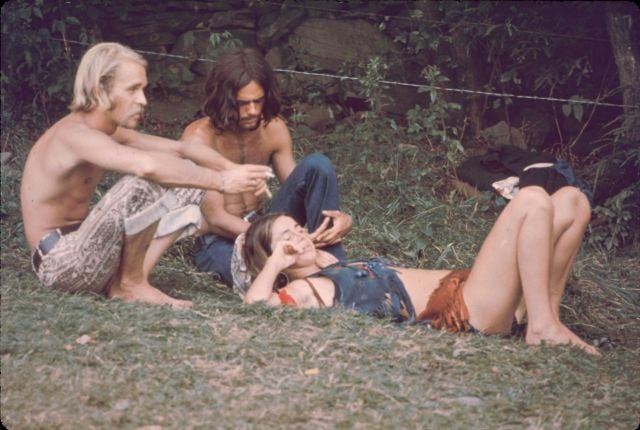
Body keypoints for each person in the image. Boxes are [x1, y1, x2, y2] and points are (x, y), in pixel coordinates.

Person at [20, 42, 272, 309]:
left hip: (94, 253)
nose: (143, 100)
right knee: (148, 179)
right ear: (100, 89)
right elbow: (147, 167)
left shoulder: (108, 131)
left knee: (187, 175)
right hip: (60, 264)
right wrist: (221, 182)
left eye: (143, 89)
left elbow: (183, 149)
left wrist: (229, 169)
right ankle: (130, 285)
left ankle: (132, 281)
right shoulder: (74, 135)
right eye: (132, 90)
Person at [241, 186, 600, 355]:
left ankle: (545, 316)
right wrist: (275, 264)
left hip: (472, 287)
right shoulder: (311, 290)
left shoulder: (337, 265)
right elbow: (256, 308)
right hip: (461, 310)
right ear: (274, 260)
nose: (299, 236)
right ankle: (542, 328)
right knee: (532, 199)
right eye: (286, 237)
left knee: (572, 200)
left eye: (297, 227)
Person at [175, 48, 352, 287]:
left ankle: (338, 269)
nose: (253, 111)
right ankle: (317, 275)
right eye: (242, 103)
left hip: (266, 224)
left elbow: (299, 187)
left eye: (258, 101)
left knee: (318, 165)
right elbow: (217, 219)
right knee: (270, 278)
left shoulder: (273, 128)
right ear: (222, 100)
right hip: (221, 239)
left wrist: (342, 221)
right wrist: (277, 242)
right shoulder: (199, 139)